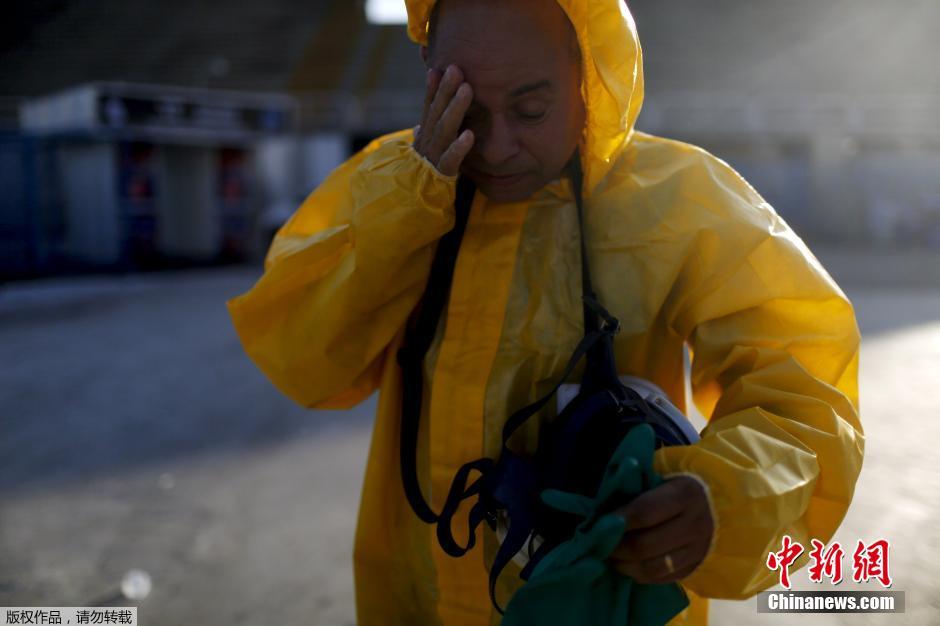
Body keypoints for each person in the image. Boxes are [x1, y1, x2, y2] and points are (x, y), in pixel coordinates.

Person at [225, 0, 865, 624]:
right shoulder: (389, 186)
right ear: (427, 67)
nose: (497, 147)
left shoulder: (680, 200)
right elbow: (308, 362)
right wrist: (405, 209)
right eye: (467, 107)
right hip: (414, 598)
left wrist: (724, 497)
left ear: (590, 72)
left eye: (531, 110)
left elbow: (804, 392)